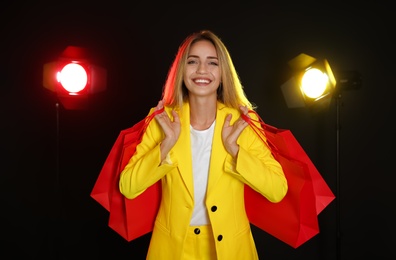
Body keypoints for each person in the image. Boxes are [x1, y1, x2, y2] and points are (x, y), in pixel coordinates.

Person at [119, 30, 288, 260]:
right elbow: (128, 187)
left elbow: (277, 190)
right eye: (192, 61)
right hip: (172, 250)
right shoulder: (161, 120)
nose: (201, 70)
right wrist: (166, 144)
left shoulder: (243, 121)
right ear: (182, 70)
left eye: (212, 63)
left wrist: (235, 151)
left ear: (222, 74)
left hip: (230, 249)